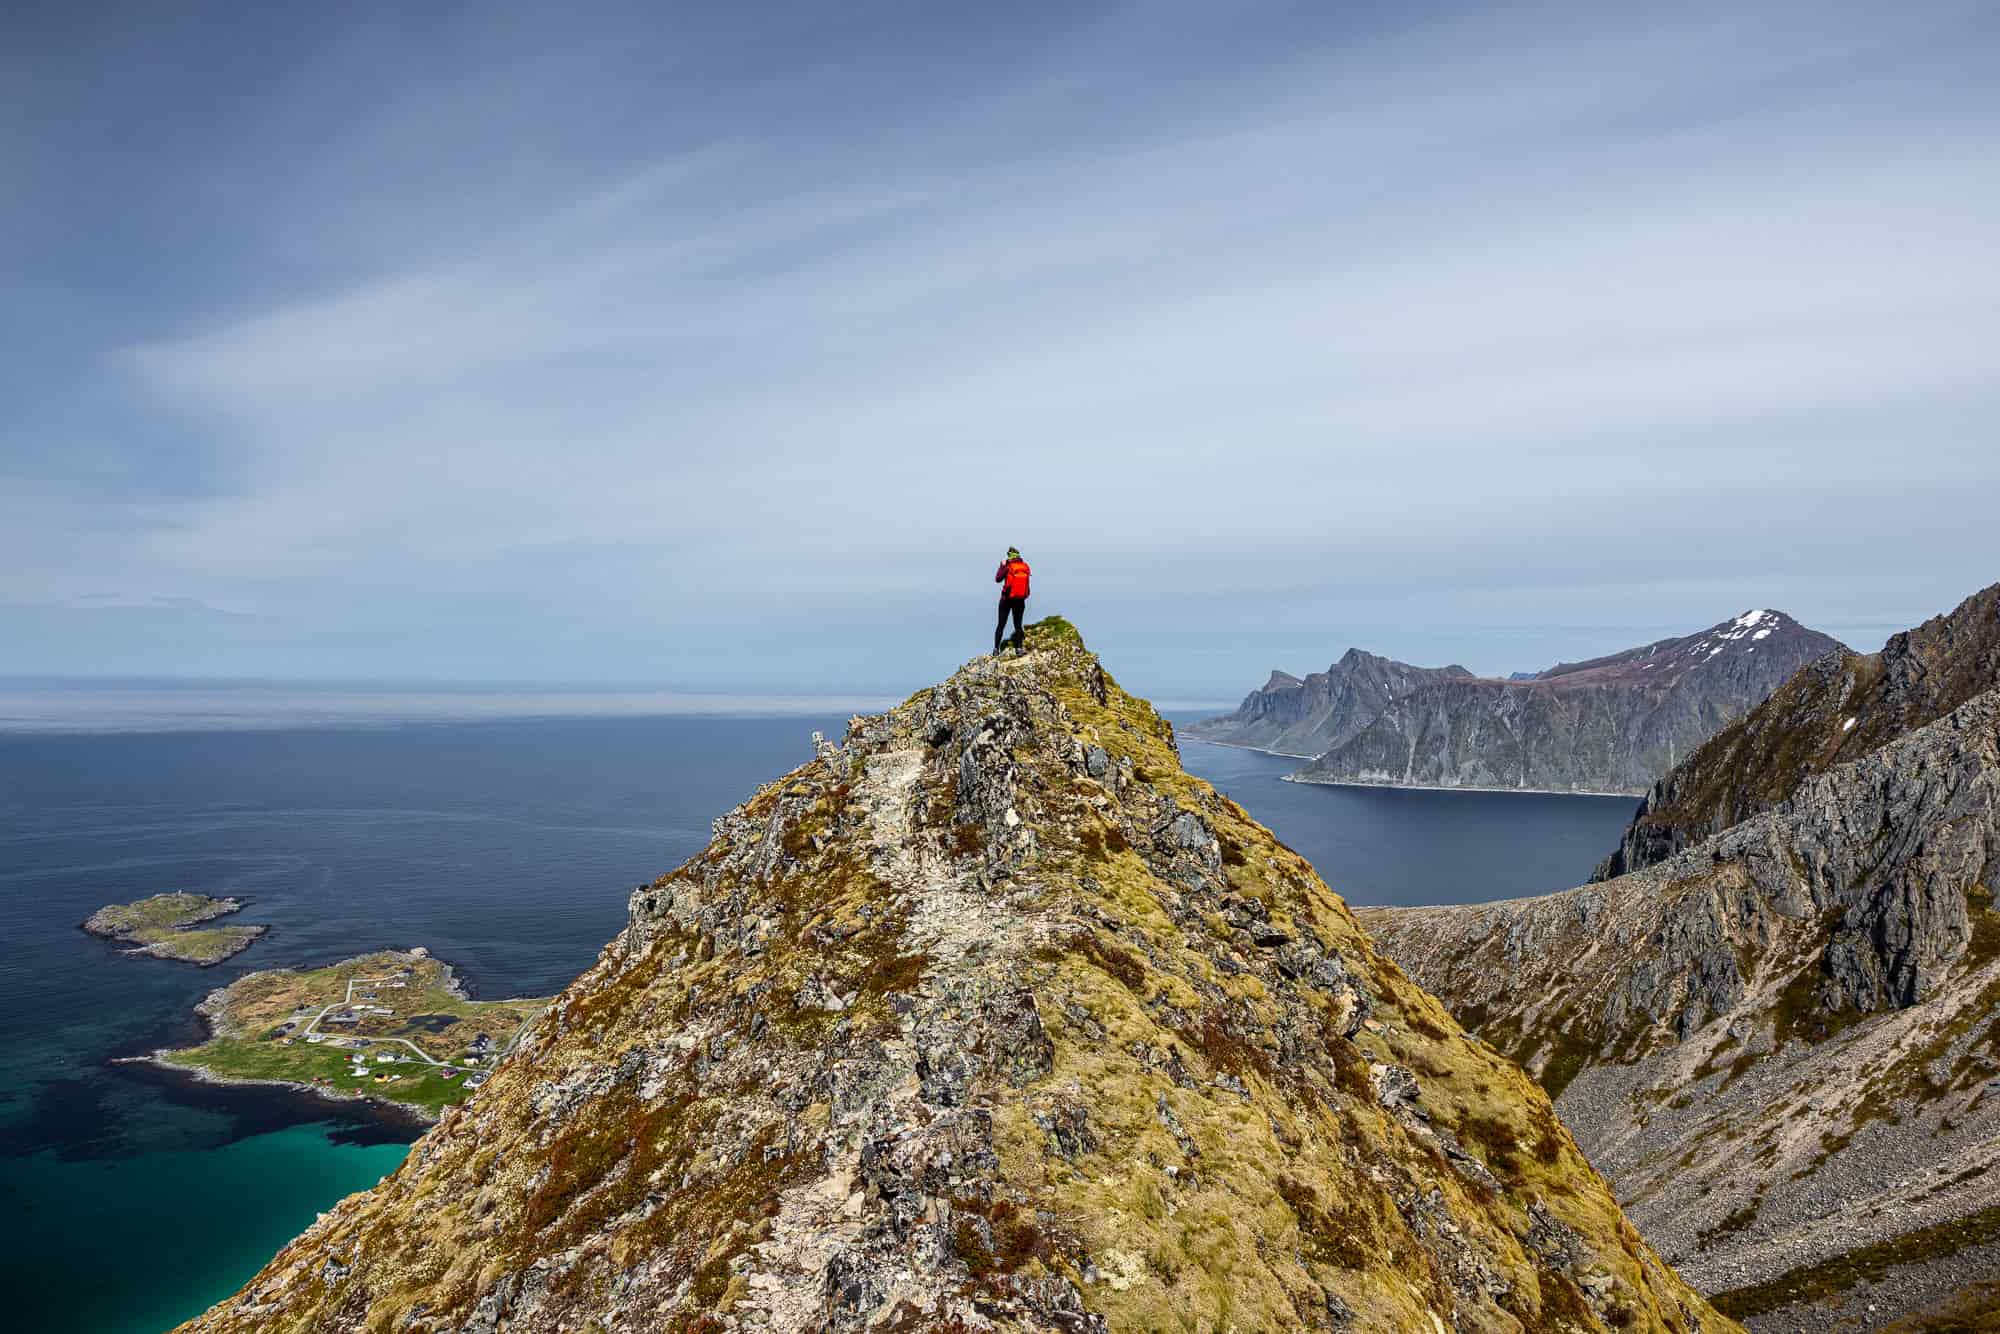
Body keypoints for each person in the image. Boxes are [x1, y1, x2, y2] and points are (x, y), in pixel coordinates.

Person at [993, 547, 1031, 654]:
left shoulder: (1008, 566)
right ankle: (1019, 648)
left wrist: (1002, 566)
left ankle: (996, 649)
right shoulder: (1025, 567)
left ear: (1009, 555)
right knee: (1018, 624)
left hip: (1006, 599)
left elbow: (998, 579)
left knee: (1001, 624)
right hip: (1020, 599)